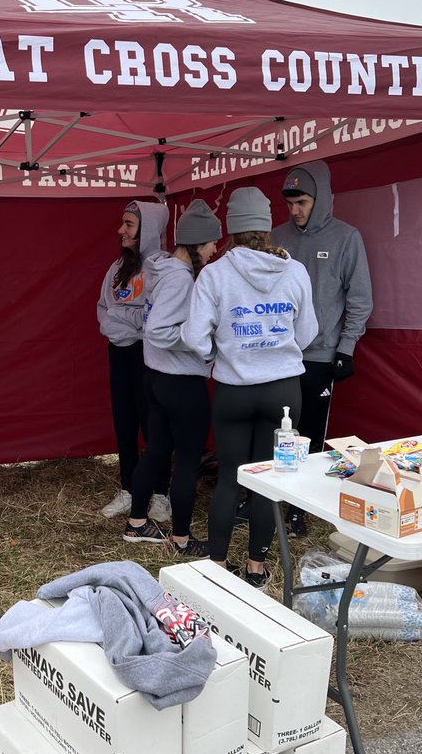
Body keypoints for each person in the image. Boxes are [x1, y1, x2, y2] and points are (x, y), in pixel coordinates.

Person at [183, 187, 317, 588]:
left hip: (233, 390)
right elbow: (308, 332)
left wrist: (218, 354)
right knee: (268, 479)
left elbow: (193, 336)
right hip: (283, 392)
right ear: (266, 224)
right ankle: (256, 568)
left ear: (231, 229)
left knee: (230, 478)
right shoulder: (294, 272)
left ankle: (218, 567)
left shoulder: (215, 273)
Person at [271, 161, 372, 536]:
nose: (295, 211)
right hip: (278, 354)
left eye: (302, 202)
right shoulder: (276, 236)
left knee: (309, 433)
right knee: (278, 428)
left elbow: (359, 298)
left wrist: (346, 348)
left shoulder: (346, 238)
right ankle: (270, 500)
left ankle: (300, 509)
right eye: (290, 204)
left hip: (319, 354)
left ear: (322, 199)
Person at [122, 199, 222, 556]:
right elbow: (160, 330)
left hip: (157, 378)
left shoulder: (162, 269)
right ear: (195, 243)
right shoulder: (180, 278)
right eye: (211, 242)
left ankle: (137, 524)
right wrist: (201, 344)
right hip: (181, 382)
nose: (215, 249)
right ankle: (181, 539)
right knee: (188, 458)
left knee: (157, 452)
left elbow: (153, 324)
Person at [97, 199, 171, 522]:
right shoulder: (116, 269)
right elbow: (103, 312)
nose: (121, 230)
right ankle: (128, 488)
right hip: (120, 353)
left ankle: (160, 494)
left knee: (153, 425)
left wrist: (125, 318)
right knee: (124, 422)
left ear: (148, 230)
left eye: (129, 224)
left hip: (148, 355)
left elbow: (154, 317)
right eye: (123, 223)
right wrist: (128, 320)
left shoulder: (160, 269)